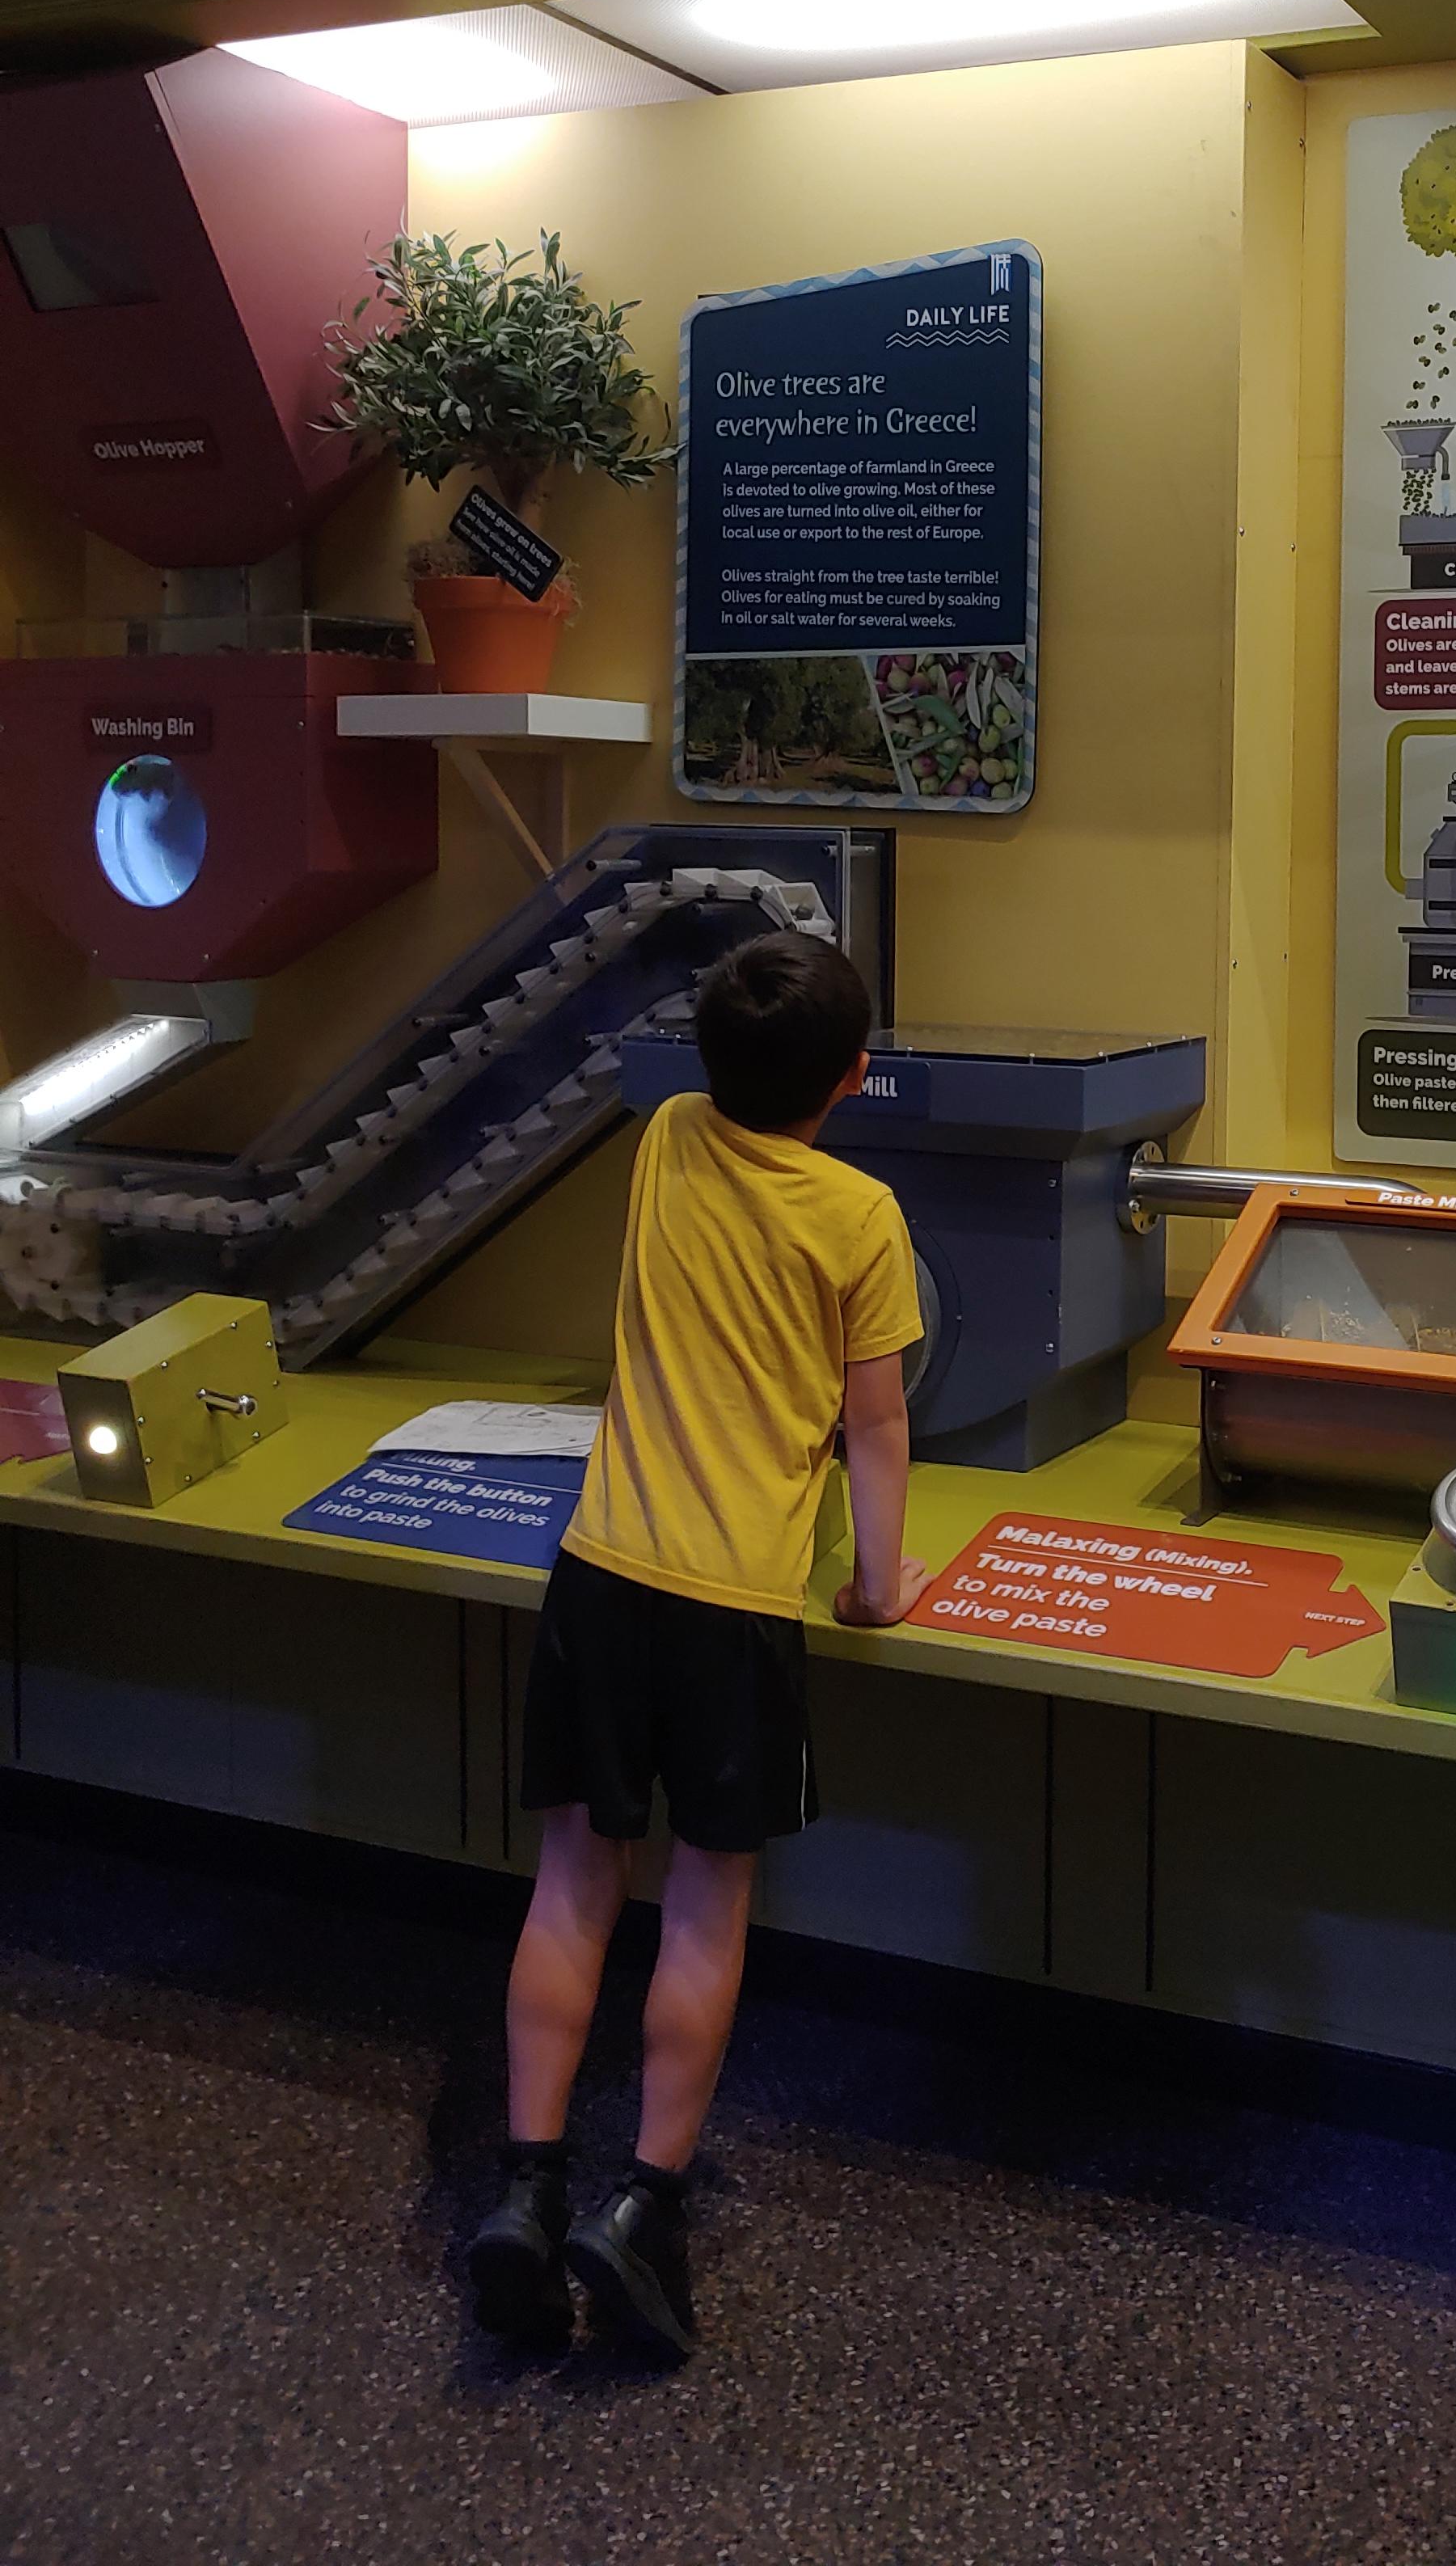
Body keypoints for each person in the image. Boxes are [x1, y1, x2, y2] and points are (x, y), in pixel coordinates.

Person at [469, 931, 926, 2361]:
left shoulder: (667, 1135)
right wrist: (878, 1585)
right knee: (705, 1909)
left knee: (570, 1888)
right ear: (855, 1077)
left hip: (602, 1572)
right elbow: (875, 1425)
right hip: (735, 1606)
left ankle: (527, 2189)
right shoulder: (863, 1216)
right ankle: (645, 2207)